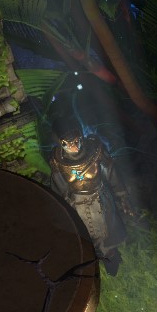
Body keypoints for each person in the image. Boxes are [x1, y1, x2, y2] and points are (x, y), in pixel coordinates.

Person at [47, 104, 125, 271]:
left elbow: (111, 172)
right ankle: (96, 257)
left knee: (107, 230)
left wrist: (121, 195)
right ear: (61, 143)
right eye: (67, 143)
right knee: (88, 235)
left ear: (80, 136)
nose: (73, 146)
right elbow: (58, 185)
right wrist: (65, 206)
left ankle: (112, 256)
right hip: (77, 203)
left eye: (76, 141)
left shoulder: (95, 150)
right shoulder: (57, 160)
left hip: (100, 198)